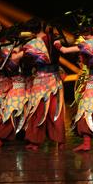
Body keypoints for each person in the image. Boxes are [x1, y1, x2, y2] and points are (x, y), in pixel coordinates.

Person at [54, 16, 93, 151]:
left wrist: (57, 43)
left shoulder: (86, 44)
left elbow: (64, 50)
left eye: (84, 35)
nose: (84, 38)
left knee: (86, 108)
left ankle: (87, 143)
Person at [13, 17, 66, 151]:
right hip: (55, 80)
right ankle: (60, 141)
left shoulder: (31, 44)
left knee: (38, 110)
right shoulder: (54, 39)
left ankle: (35, 142)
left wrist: (14, 50)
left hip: (41, 81)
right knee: (55, 111)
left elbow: (15, 59)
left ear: (31, 31)